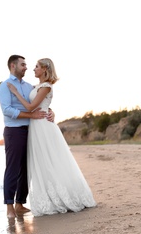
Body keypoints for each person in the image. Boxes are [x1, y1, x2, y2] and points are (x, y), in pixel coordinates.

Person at [7, 58, 96, 216]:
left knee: (50, 160)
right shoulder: (36, 86)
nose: (33, 69)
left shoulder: (46, 87)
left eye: (36, 67)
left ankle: (63, 196)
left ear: (45, 69)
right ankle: (47, 196)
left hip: (43, 126)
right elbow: (38, 101)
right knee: (41, 162)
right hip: (36, 126)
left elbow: (30, 106)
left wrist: (14, 92)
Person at [0, 55, 54, 218]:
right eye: (23, 65)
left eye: (27, 64)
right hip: (14, 131)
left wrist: (51, 112)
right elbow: (7, 111)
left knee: (26, 168)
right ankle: (9, 207)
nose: (26, 67)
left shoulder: (30, 86)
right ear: (13, 66)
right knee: (13, 168)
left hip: (32, 131)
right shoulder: (5, 86)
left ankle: (20, 203)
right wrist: (30, 116)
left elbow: (41, 102)